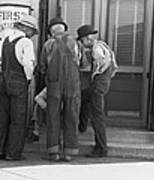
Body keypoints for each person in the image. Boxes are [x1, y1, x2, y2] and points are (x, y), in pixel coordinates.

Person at [39, 17, 81, 162]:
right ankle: (70, 152)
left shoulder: (48, 44)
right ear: (63, 28)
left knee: (53, 116)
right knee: (72, 116)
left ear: (51, 30)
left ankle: (53, 152)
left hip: (54, 84)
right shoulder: (75, 43)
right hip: (72, 84)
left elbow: (42, 67)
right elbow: (82, 63)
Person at [0, 14, 38, 160]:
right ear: (27, 29)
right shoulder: (25, 42)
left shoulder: (4, 40)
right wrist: (28, 79)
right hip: (18, 83)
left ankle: (1, 150)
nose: (33, 34)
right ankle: (13, 153)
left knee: (2, 118)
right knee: (18, 119)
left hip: (3, 81)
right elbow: (28, 64)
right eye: (32, 31)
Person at [77, 25, 118, 157]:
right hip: (102, 83)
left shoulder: (96, 48)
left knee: (97, 117)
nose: (82, 44)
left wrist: (97, 72)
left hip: (98, 85)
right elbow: (114, 66)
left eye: (82, 41)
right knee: (84, 97)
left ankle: (101, 148)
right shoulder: (103, 45)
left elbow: (101, 61)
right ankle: (81, 125)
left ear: (87, 38)